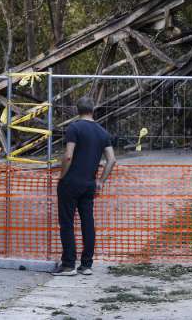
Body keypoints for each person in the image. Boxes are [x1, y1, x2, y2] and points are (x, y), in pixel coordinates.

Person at [53, 96, 117, 276]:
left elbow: (68, 156)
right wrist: (100, 181)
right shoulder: (103, 132)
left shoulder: (74, 127)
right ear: (93, 109)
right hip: (89, 183)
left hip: (71, 182)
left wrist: (62, 176)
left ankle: (68, 265)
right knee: (87, 222)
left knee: (67, 223)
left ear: (77, 110)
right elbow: (112, 160)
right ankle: (87, 265)